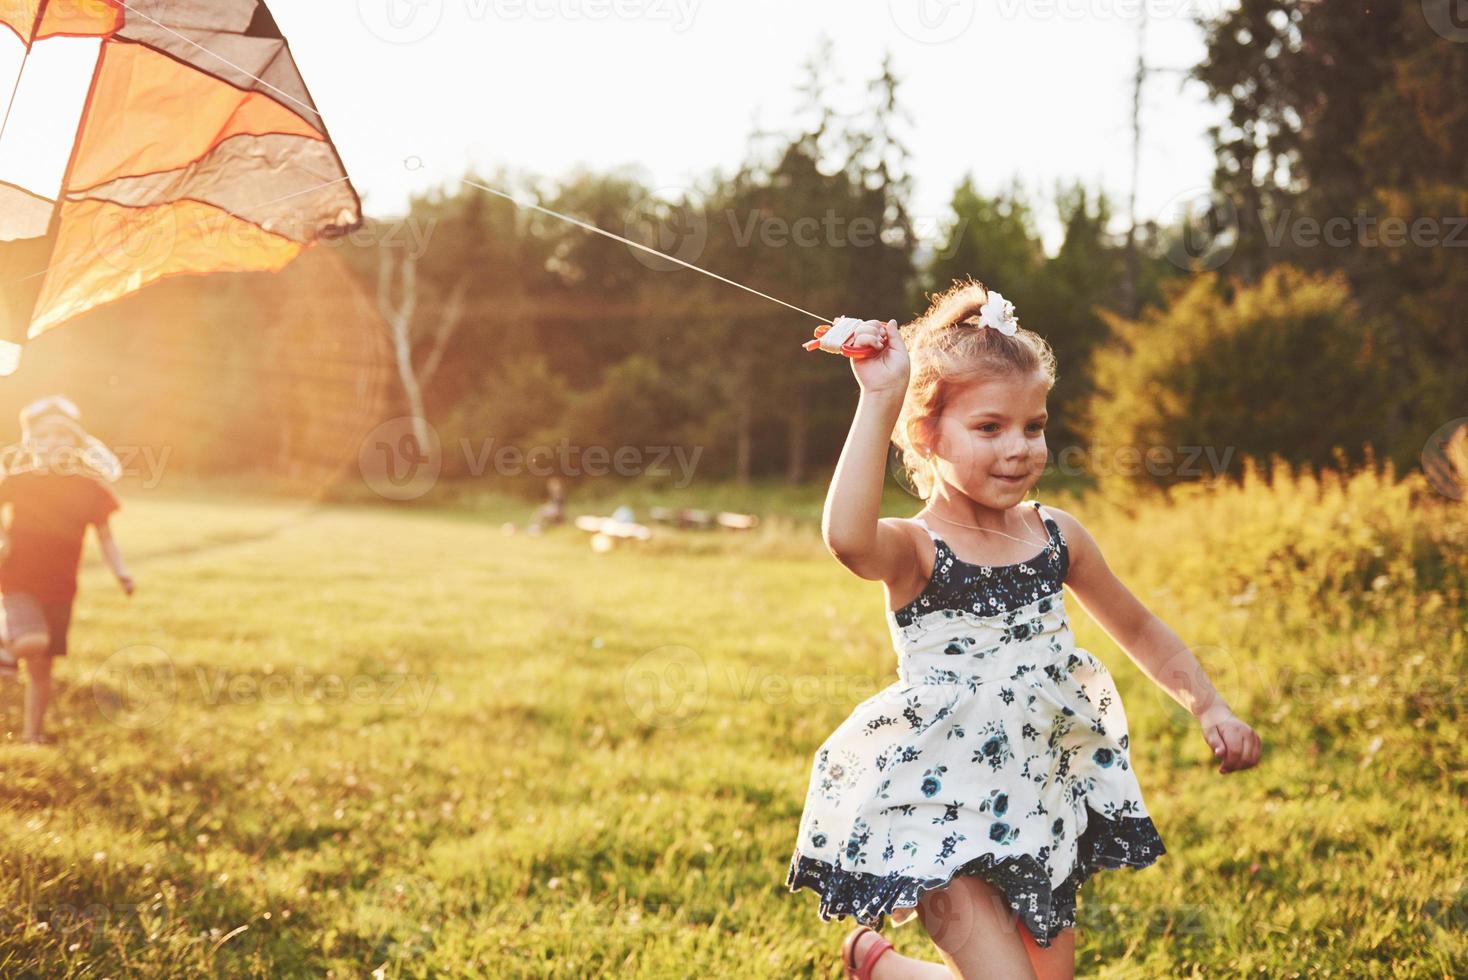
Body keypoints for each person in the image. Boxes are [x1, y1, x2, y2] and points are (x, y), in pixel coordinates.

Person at [784, 281, 1262, 979]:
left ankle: (878, 966)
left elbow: (1140, 627)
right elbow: (847, 539)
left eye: (1032, 426)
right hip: (941, 811)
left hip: (1042, 805)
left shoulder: (1057, 537)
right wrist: (879, 397)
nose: (1018, 448)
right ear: (926, 435)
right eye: (989, 428)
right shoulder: (917, 550)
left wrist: (1209, 704)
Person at [0, 396, 135, 744]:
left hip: (61, 589)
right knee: (34, 640)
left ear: (77, 443)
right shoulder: (18, 480)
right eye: (42, 436)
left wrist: (121, 572)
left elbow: (106, 538)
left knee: (42, 670)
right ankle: (6, 650)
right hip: (17, 580)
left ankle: (33, 735)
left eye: (61, 435)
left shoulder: (90, 489)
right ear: (30, 443)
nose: (52, 443)